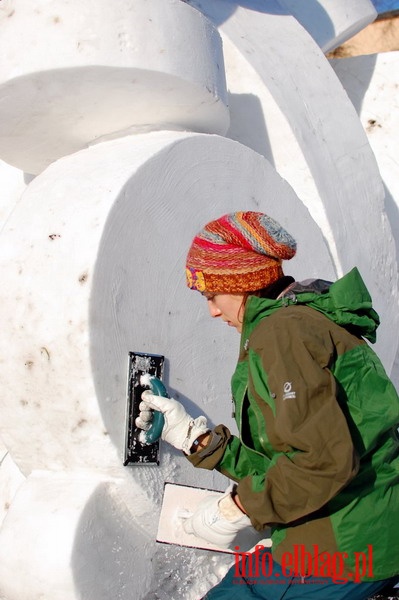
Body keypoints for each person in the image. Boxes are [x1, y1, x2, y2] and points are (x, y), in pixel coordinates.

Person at [138, 211, 399, 599]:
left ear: (241, 282)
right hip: (358, 533)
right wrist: (198, 440)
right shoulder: (300, 320)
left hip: (341, 551)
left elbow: (323, 463)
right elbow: (297, 460)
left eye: (212, 294)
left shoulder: (281, 334)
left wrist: (238, 508)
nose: (211, 310)